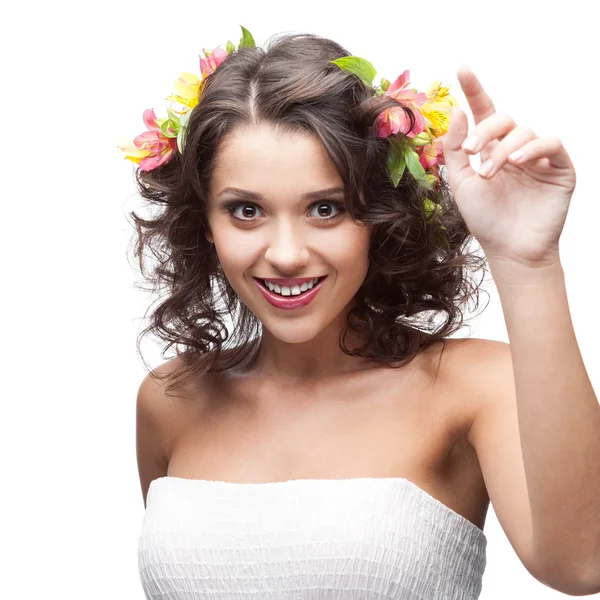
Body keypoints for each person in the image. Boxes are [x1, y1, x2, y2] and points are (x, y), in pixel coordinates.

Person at [120, 25, 595, 600]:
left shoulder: (472, 387)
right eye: (246, 210)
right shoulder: (172, 400)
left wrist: (529, 261)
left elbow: (582, 564)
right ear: (205, 224)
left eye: (326, 208)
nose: (287, 254)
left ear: (380, 215)